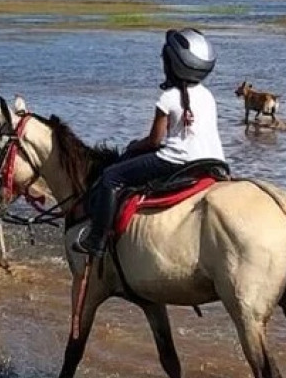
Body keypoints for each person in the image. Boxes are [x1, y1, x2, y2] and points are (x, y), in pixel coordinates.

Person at [73, 28, 226, 259]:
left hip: (177, 161)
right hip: (212, 160)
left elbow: (154, 141)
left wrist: (135, 146)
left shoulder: (168, 98)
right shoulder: (207, 95)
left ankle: (96, 241)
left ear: (171, 65)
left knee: (110, 177)